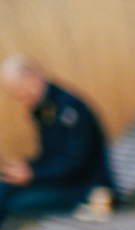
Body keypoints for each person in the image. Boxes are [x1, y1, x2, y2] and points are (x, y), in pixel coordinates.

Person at [0, 56, 112, 219]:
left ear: (33, 77)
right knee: (4, 186)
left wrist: (32, 174)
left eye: (19, 90)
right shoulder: (45, 106)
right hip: (63, 181)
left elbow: (74, 165)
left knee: (17, 205)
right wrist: (26, 168)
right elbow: (50, 155)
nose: (20, 98)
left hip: (86, 188)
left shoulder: (69, 110)